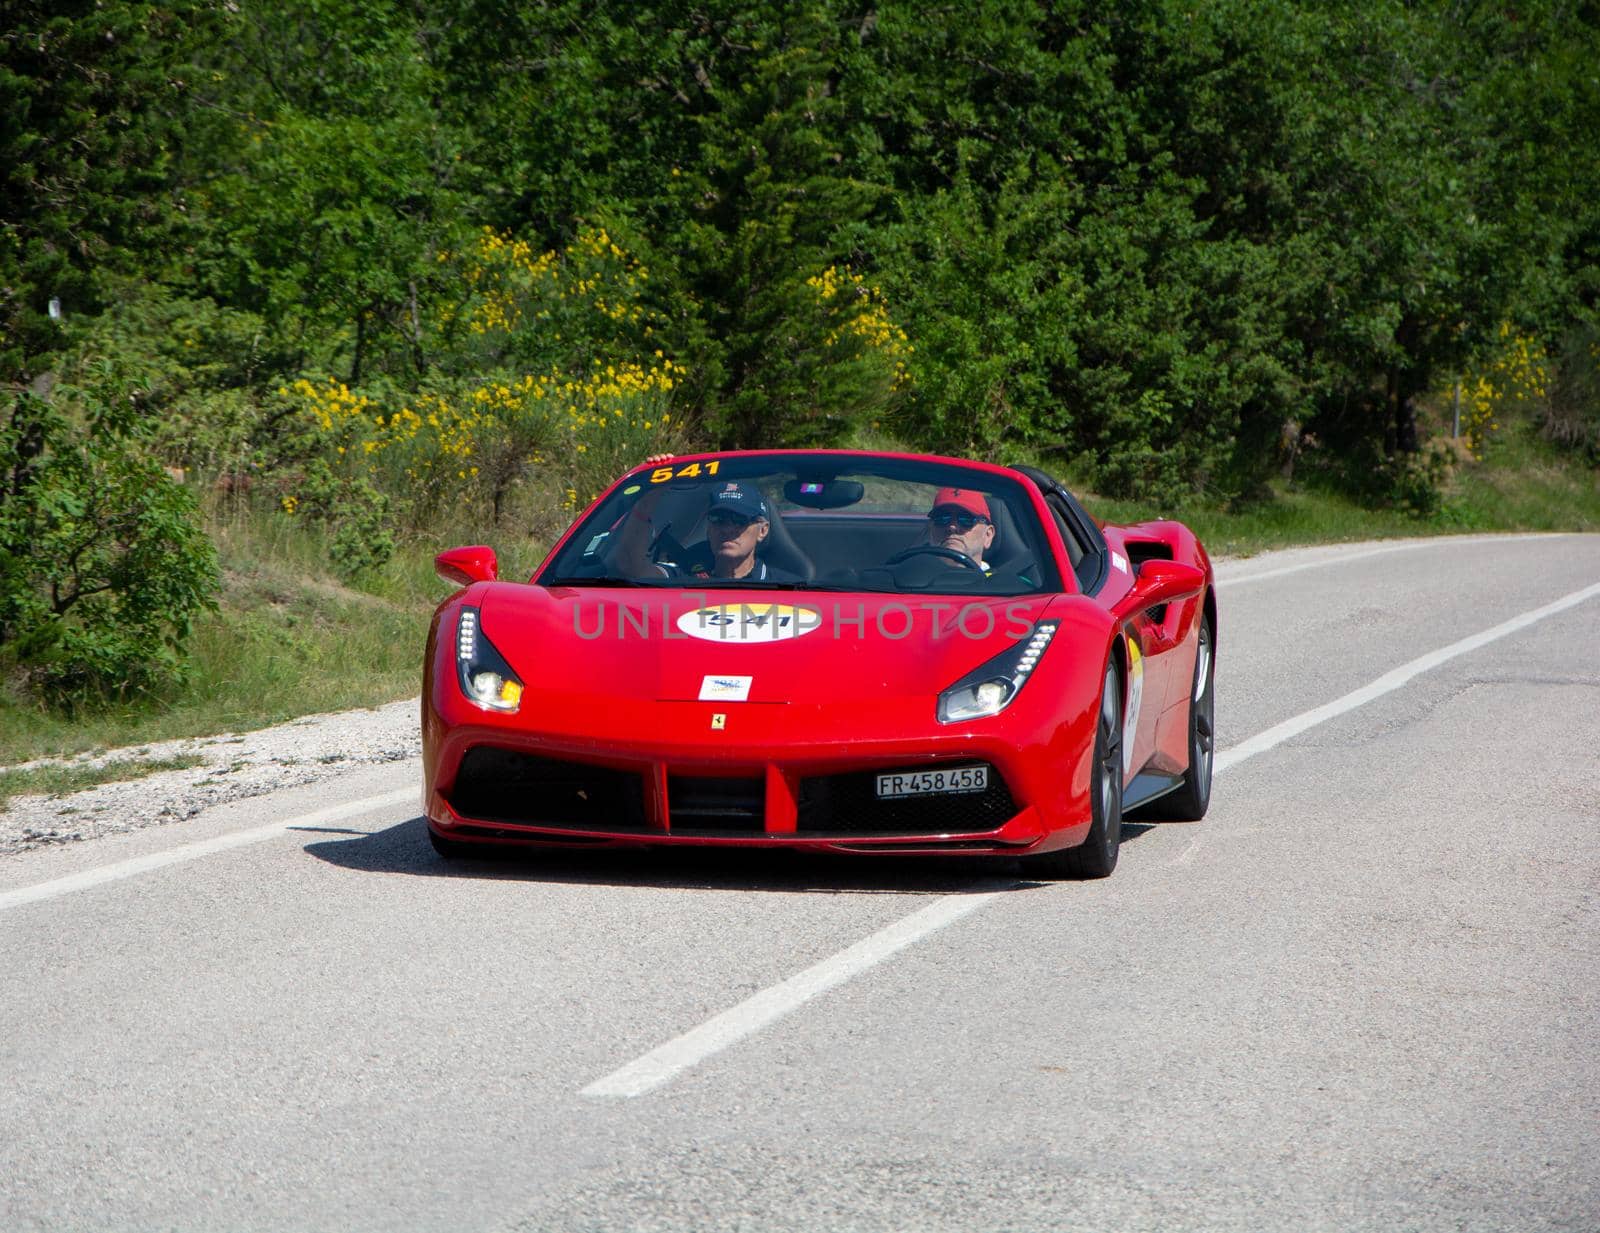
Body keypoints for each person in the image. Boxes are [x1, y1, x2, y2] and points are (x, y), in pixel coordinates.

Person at [614, 458, 795, 581]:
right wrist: (649, 496)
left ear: (762, 530)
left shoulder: (788, 588)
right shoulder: (686, 574)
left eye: (739, 520)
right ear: (708, 529)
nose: (727, 528)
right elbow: (630, 567)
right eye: (719, 519)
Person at [923, 487, 995, 573]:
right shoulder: (911, 578)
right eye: (942, 518)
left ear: (988, 535)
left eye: (966, 519)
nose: (952, 527)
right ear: (931, 530)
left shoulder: (1000, 584)